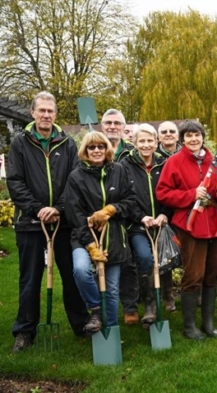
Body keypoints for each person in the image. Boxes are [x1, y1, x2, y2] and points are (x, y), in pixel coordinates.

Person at [6, 91, 89, 352]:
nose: (46, 115)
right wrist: (38, 209)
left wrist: (59, 208)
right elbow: (15, 181)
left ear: (55, 114)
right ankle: (24, 331)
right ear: (32, 113)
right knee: (30, 278)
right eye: (41, 110)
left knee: (70, 275)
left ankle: (81, 324)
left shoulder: (67, 144)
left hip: (63, 223)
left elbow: (75, 179)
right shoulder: (20, 143)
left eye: (50, 111)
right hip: (31, 224)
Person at [156, 120, 217, 340]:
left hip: (215, 225)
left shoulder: (215, 161)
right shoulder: (174, 162)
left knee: (214, 272)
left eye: (197, 135)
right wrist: (190, 195)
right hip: (190, 226)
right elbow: (163, 193)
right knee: (193, 274)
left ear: (202, 137)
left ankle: (208, 323)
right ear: (182, 139)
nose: (194, 139)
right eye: (189, 136)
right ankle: (189, 327)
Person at [64, 131, 137, 334]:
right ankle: (96, 309)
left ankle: (111, 329)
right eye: (92, 147)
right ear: (85, 151)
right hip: (83, 236)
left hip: (113, 235)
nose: (96, 150)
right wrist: (90, 245)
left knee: (112, 288)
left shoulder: (119, 170)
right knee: (80, 270)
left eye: (100, 147)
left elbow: (130, 201)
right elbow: (74, 212)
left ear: (107, 149)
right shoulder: (76, 176)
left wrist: (110, 210)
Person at [121, 124, 169, 326]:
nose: (146, 145)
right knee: (144, 257)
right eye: (142, 141)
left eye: (150, 141)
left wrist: (164, 214)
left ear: (156, 142)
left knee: (166, 261)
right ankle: (148, 304)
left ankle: (166, 298)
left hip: (161, 223)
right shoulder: (125, 165)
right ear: (134, 142)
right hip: (137, 225)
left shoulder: (165, 163)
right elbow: (124, 196)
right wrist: (141, 217)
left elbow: (171, 191)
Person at [100, 108, 138, 324]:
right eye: (108, 123)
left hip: (129, 215)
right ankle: (102, 308)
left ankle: (130, 306)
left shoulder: (131, 152)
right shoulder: (94, 149)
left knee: (129, 262)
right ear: (102, 126)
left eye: (117, 123)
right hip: (103, 218)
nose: (112, 127)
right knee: (104, 262)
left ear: (124, 127)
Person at [155, 120, 182, 311]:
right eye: (163, 131)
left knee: (188, 253)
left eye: (172, 131)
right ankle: (168, 295)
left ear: (178, 135)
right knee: (165, 256)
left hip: (184, 211)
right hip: (162, 213)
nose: (168, 134)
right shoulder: (155, 158)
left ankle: (193, 291)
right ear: (158, 136)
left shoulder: (185, 155)